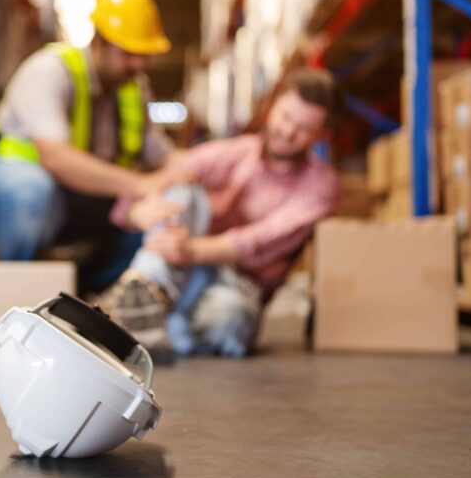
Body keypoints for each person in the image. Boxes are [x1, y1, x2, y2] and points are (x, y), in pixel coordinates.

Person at [0, 0, 182, 291]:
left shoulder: (134, 89)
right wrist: (139, 184)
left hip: (68, 196)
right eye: (128, 53)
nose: (138, 64)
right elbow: (56, 158)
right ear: (98, 42)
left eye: (144, 54)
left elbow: (162, 157)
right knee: (32, 190)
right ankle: (14, 294)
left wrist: (204, 169)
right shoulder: (50, 70)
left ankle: (78, 290)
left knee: (152, 217)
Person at [98, 67, 341, 356]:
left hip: (236, 285)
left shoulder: (321, 185)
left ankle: (146, 316)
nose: (288, 132)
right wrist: (136, 211)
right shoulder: (235, 152)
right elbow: (162, 177)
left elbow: (260, 240)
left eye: (304, 129)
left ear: (322, 135)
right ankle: (149, 284)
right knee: (182, 188)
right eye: (286, 117)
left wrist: (192, 250)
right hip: (180, 271)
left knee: (230, 318)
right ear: (271, 105)